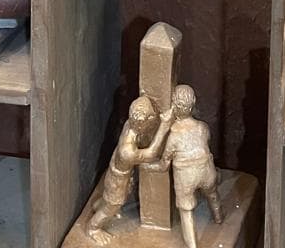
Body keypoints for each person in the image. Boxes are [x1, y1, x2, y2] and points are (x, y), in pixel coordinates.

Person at [87, 95, 173, 246]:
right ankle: (93, 228)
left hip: (120, 173)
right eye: (151, 118)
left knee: (111, 198)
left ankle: (98, 206)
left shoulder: (130, 124)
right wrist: (164, 126)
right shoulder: (127, 151)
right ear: (141, 125)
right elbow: (151, 154)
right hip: (118, 180)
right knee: (113, 204)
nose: (154, 118)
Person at [143, 84, 222, 248]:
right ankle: (218, 217)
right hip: (207, 171)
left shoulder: (174, 136)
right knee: (212, 193)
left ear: (174, 106)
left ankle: (193, 246)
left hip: (186, 178)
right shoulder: (203, 128)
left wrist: (148, 167)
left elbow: (164, 165)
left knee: (186, 211)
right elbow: (206, 143)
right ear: (193, 102)